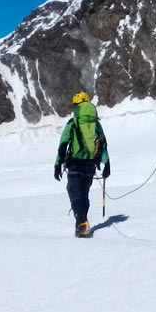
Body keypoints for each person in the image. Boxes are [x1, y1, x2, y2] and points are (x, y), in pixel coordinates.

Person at [54, 90, 110, 238]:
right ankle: (82, 223)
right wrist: (107, 164)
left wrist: (57, 164)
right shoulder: (96, 123)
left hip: (74, 163)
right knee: (84, 194)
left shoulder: (73, 122)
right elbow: (103, 143)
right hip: (91, 165)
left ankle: (81, 224)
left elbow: (63, 144)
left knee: (74, 193)